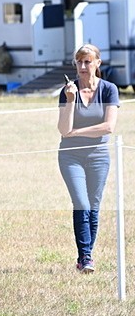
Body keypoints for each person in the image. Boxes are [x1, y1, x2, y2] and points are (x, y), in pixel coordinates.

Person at [57, 44, 119, 274]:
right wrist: (71, 100)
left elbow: (108, 127)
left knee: (93, 207)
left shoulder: (109, 89)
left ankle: (86, 256)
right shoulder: (67, 91)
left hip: (99, 156)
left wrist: (77, 132)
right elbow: (64, 129)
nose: (82, 67)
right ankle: (86, 257)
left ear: (97, 63)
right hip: (71, 156)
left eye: (87, 62)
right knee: (81, 203)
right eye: (79, 62)